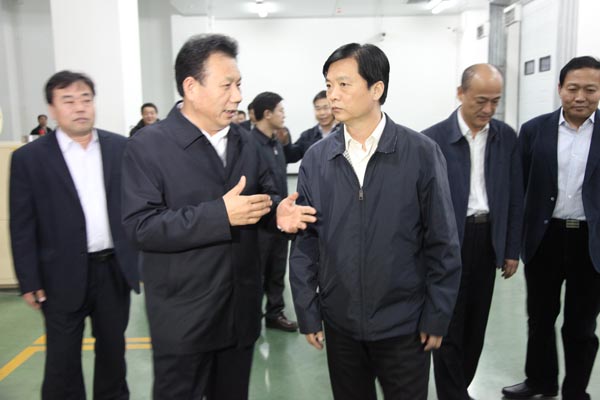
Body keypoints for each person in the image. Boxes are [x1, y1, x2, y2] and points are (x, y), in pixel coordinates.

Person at [121, 34, 316, 400]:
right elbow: (141, 227)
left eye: (239, 84)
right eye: (227, 86)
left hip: (239, 315)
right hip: (183, 320)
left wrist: (278, 213)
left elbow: (262, 199)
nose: (238, 96)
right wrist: (219, 215)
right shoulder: (148, 147)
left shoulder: (247, 142)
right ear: (191, 87)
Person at [289, 42, 462, 400]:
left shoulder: (420, 153)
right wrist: (308, 311)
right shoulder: (317, 160)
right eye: (329, 85)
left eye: (344, 84)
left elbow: (442, 240)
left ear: (376, 89)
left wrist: (437, 315)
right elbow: (306, 243)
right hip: (341, 324)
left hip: (405, 325)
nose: (332, 95)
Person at [9, 70, 140, 399]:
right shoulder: (29, 158)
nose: (79, 107)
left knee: (113, 353)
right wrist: (29, 280)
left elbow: (136, 208)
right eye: (68, 101)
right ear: (52, 109)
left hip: (112, 271)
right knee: (62, 360)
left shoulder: (120, 148)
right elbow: (22, 224)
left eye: (86, 99)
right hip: (58, 275)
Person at [423, 64, 523, 400]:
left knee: (475, 325)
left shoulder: (505, 137)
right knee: (448, 323)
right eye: (481, 100)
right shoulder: (432, 140)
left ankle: (458, 388)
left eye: (495, 101)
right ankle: (454, 395)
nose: (488, 109)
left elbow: (515, 195)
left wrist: (511, 249)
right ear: (460, 93)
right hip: (448, 242)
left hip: (487, 239)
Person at [502, 56, 600, 400]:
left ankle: (575, 391)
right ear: (560, 88)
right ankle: (540, 382)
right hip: (545, 237)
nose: (580, 97)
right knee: (540, 317)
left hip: (591, 241)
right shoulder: (534, 130)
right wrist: (514, 243)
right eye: (573, 88)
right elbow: (518, 189)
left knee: (581, 324)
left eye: (590, 89)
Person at [250, 91, 298, 332]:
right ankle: (251, 317)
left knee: (277, 270)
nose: (284, 115)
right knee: (256, 273)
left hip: (279, 220)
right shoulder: (249, 145)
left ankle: (274, 313)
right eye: (280, 110)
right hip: (258, 223)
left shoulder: (276, 143)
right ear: (267, 114)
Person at [276, 90, 337, 163]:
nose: (322, 113)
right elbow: (291, 157)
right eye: (318, 109)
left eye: (326, 108)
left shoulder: (343, 132)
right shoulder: (307, 136)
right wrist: (285, 143)